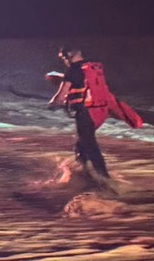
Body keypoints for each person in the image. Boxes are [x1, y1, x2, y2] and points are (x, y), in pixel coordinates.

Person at [48, 45, 113, 187]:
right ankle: (86, 176)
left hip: (85, 113)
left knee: (89, 145)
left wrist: (52, 104)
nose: (64, 61)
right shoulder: (92, 66)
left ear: (70, 55)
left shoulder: (72, 70)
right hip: (99, 111)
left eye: (63, 57)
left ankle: (105, 180)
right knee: (81, 146)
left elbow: (60, 96)